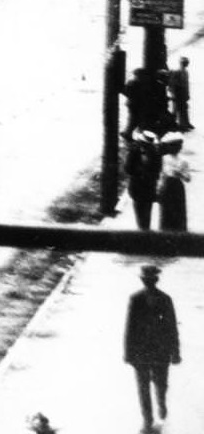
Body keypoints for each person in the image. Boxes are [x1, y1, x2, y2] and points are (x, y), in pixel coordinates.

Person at [124, 263, 181, 431]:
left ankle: (161, 403)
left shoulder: (165, 299)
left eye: (151, 279)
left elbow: (172, 327)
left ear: (156, 280)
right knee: (143, 387)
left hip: (160, 350)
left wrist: (175, 352)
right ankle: (147, 418)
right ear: (143, 280)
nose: (148, 282)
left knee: (161, 384)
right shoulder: (135, 299)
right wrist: (128, 353)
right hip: (140, 351)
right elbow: (130, 327)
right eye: (146, 279)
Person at [127, 130, 163, 232]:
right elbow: (127, 168)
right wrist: (139, 171)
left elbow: (158, 170)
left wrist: (150, 175)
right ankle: (142, 231)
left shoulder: (156, 153)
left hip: (149, 187)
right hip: (137, 187)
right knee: (139, 212)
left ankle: (145, 231)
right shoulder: (134, 151)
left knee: (147, 213)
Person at [158, 130, 189, 232]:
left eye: (178, 146)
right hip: (167, 186)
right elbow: (161, 175)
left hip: (177, 187)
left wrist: (180, 174)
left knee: (178, 210)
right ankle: (166, 231)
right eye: (173, 146)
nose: (176, 148)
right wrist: (159, 188)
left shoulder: (183, 160)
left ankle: (179, 231)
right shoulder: (164, 158)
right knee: (166, 210)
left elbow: (188, 178)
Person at [173, 56, 192, 131]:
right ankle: (181, 126)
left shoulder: (186, 72)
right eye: (184, 63)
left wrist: (187, 93)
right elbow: (173, 84)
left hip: (183, 92)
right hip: (178, 93)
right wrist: (174, 94)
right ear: (181, 63)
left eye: (186, 63)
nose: (185, 65)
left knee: (185, 108)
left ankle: (186, 123)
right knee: (179, 109)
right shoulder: (177, 71)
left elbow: (187, 83)